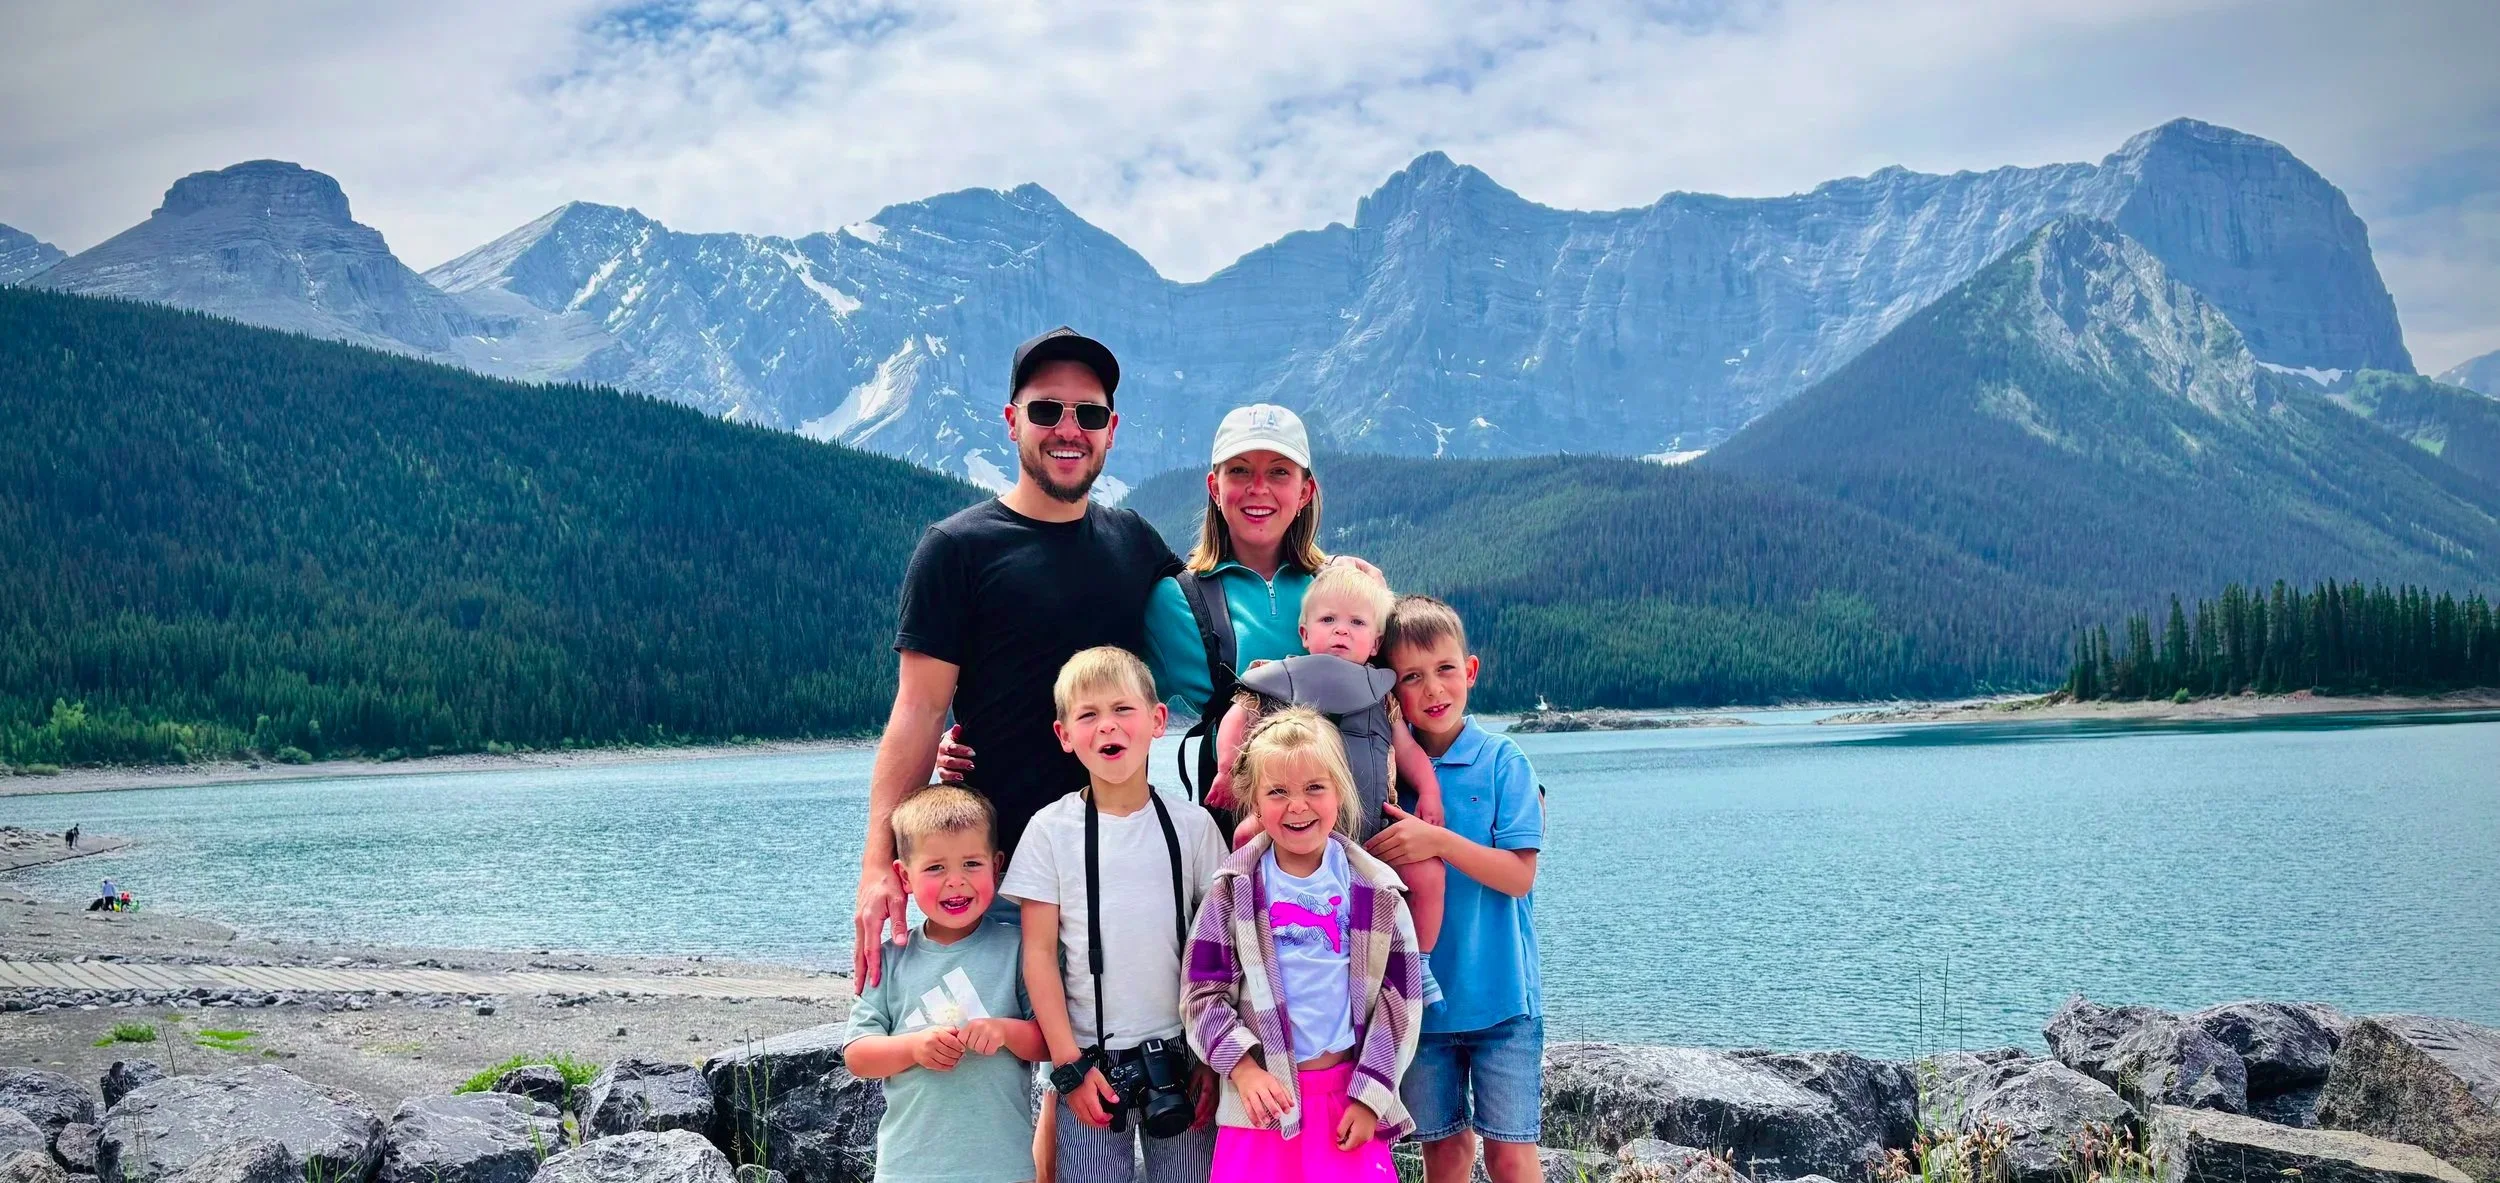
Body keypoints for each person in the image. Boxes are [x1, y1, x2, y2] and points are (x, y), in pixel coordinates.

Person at [855, 325, 1179, 990]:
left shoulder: (1136, 543)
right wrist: (878, 865)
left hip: (1119, 872)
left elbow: (1217, 635)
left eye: (1088, 413)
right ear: (1012, 422)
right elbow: (917, 713)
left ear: (1111, 429)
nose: (1069, 428)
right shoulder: (957, 548)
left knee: (1119, 1082)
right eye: (1045, 410)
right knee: (992, 1076)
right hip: (997, 880)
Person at [1001, 647, 1226, 1183]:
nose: (1108, 726)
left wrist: (1214, 1063)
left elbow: (1223, 950)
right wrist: (1067, 1067)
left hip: (1184, 1055)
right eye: (1088, 715)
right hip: (1089, 1056)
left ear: (1157, 722)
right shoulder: (1049, 831)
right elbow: (1038, 958)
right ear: (1065, 735)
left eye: (1123, 709)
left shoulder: (1192, 828)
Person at [1182, 707, 1422, 1183]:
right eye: (1278, 792)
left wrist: (1371, 1095)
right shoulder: (1232, 891)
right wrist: (1244, 1070)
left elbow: (1401, 1002)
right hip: (1261, 1101)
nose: (1298, 806)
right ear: (1252, 800)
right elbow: (1201, 996)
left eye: (1315, 787)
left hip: (1346, 1099)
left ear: (1340, 791)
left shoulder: (1375, 891)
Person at [1370, 596, 1544, 1183]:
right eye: (1412, 678)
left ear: (1469, 671)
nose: (1434, 689)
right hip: (1421, 1010)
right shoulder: (1384, 774)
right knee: (1442, 1152)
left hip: (1504, 1002)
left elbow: (1519, 875)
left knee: (1511, 1155)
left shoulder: (1503, 762)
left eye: (1445, 669)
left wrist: (1438, 843)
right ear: (1393, 694)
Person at [1211, 563, 1447, 981]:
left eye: (1356, 622)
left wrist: (1429, 791)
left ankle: (1420, 964)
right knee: (1246, 836)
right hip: (1289, 828)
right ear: (1305, 634)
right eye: (1328, 620)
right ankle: (1246, 934)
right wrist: (1228, 767)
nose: (1341, 630)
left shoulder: (1382, 695)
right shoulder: (1274, 679)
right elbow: (1236, 719)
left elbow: (1408, 750)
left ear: (1375, 642)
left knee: (1427, 873)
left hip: (1369, 831)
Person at [843, 787, 1047, 1183]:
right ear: (904, 876)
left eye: (972, 863)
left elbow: (1046, 1041)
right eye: (935, 868)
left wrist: (1003, 1031)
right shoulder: (890, 958)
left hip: (1003, 1168)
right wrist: (915, 1047)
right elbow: (858, 1055)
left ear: (997, 865)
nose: (956, 881)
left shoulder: (1018, 948)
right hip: (908, 1168)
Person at [1139, 404, 1329, 806]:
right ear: (1215, 487)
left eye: (1279, 471)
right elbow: (1112, 707)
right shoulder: (1175, 602)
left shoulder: (1341, 590)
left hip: (1350, 844)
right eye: (1240, 470)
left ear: (1304, 491)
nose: (1258, 487)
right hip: (1237, 846)